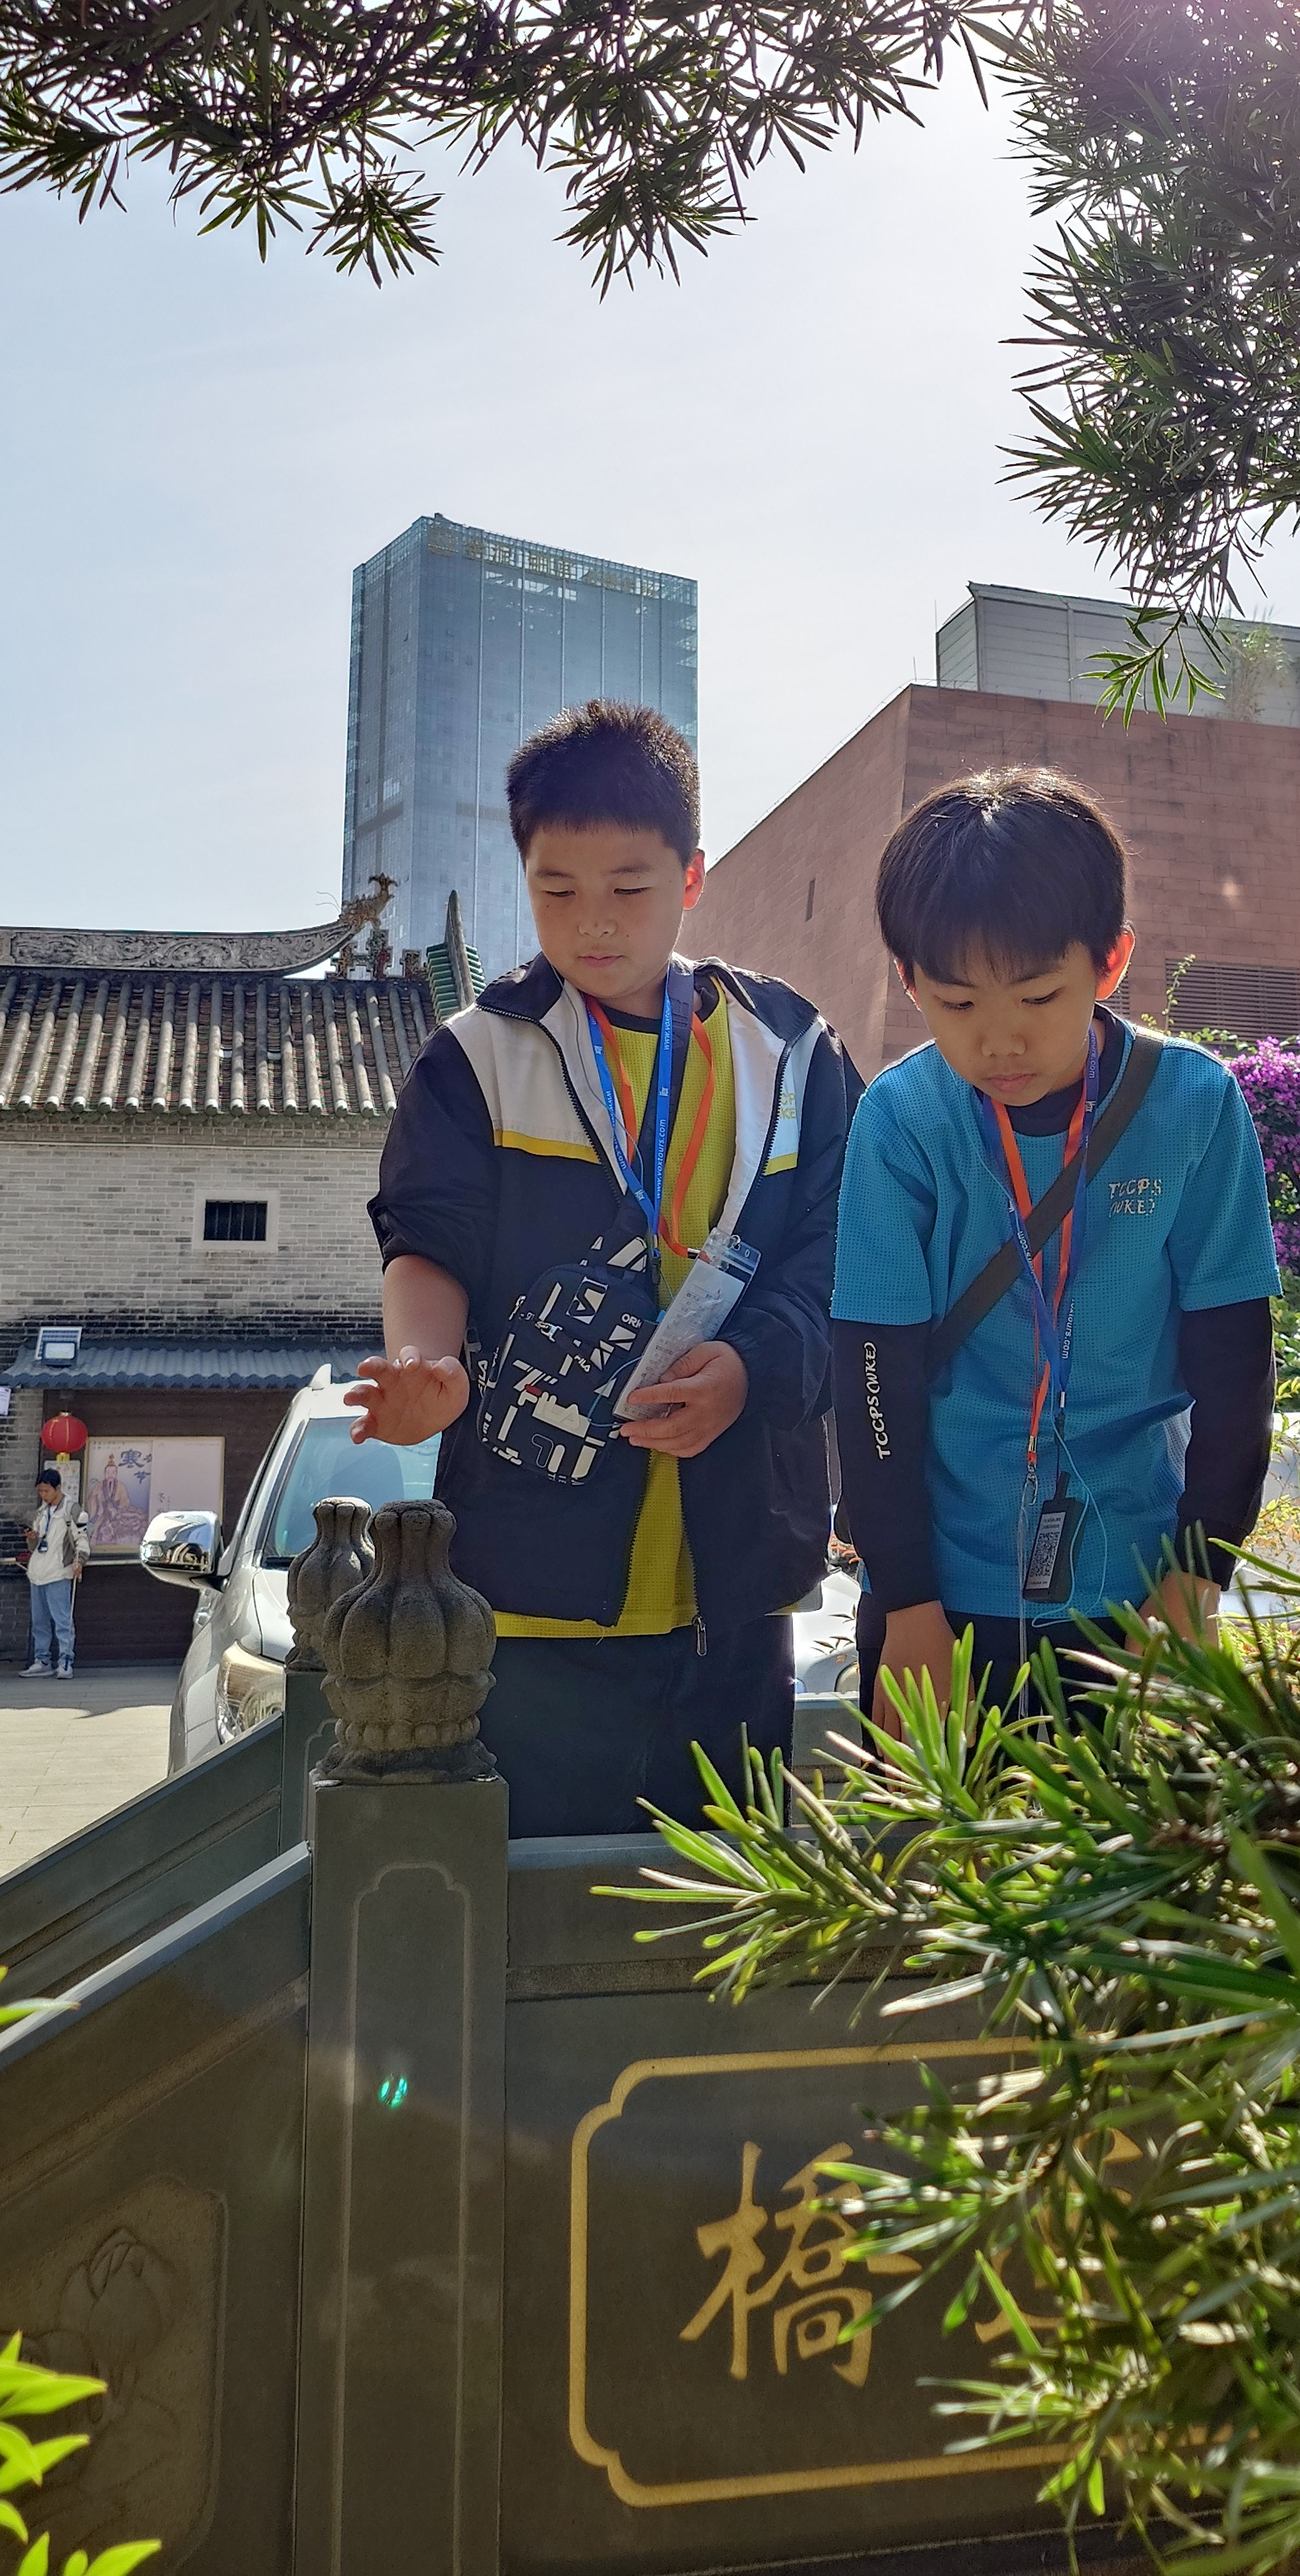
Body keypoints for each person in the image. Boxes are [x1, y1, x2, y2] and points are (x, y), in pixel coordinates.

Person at [352, 699, 856, 1840]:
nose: (591, 922)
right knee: (542, 1905)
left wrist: (751, 1366)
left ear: (692, 876)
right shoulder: (477, 1056)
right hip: (531, 1598)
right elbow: (425, 1240)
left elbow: (841, 1257)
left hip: (737, 1593)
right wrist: (426, 1364)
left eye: (629, 887)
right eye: (555, 889)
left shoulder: (792, 1051)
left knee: (723, 1907)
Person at [830, 767, 1280, 1733]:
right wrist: (907, 1602)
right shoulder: (901, 1122)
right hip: (936, 1599)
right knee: (939, 1835)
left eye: (1038, 996)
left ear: (1110, 963)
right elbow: (872, 1377)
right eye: (956, 1004)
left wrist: (1200, 1574)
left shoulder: (1195, 1105)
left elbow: (1237, 1361)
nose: (1000, 1041)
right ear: (909, 981)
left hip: (1140, 1593)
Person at [22, 1466, 89, 1676]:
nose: (43, 1495)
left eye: (47, 1491)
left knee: (62, 1620)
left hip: (59, 1572)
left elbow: (83, 1538)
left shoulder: (72, 1509)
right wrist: (32, 1538)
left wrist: (79, 1561)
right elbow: (35, 1545)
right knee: (39, 1621)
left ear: (58, 1488)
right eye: (41, 1491)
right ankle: (42, 1660)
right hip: (37, 1572)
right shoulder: (42, 1512)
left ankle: (66, 1660)